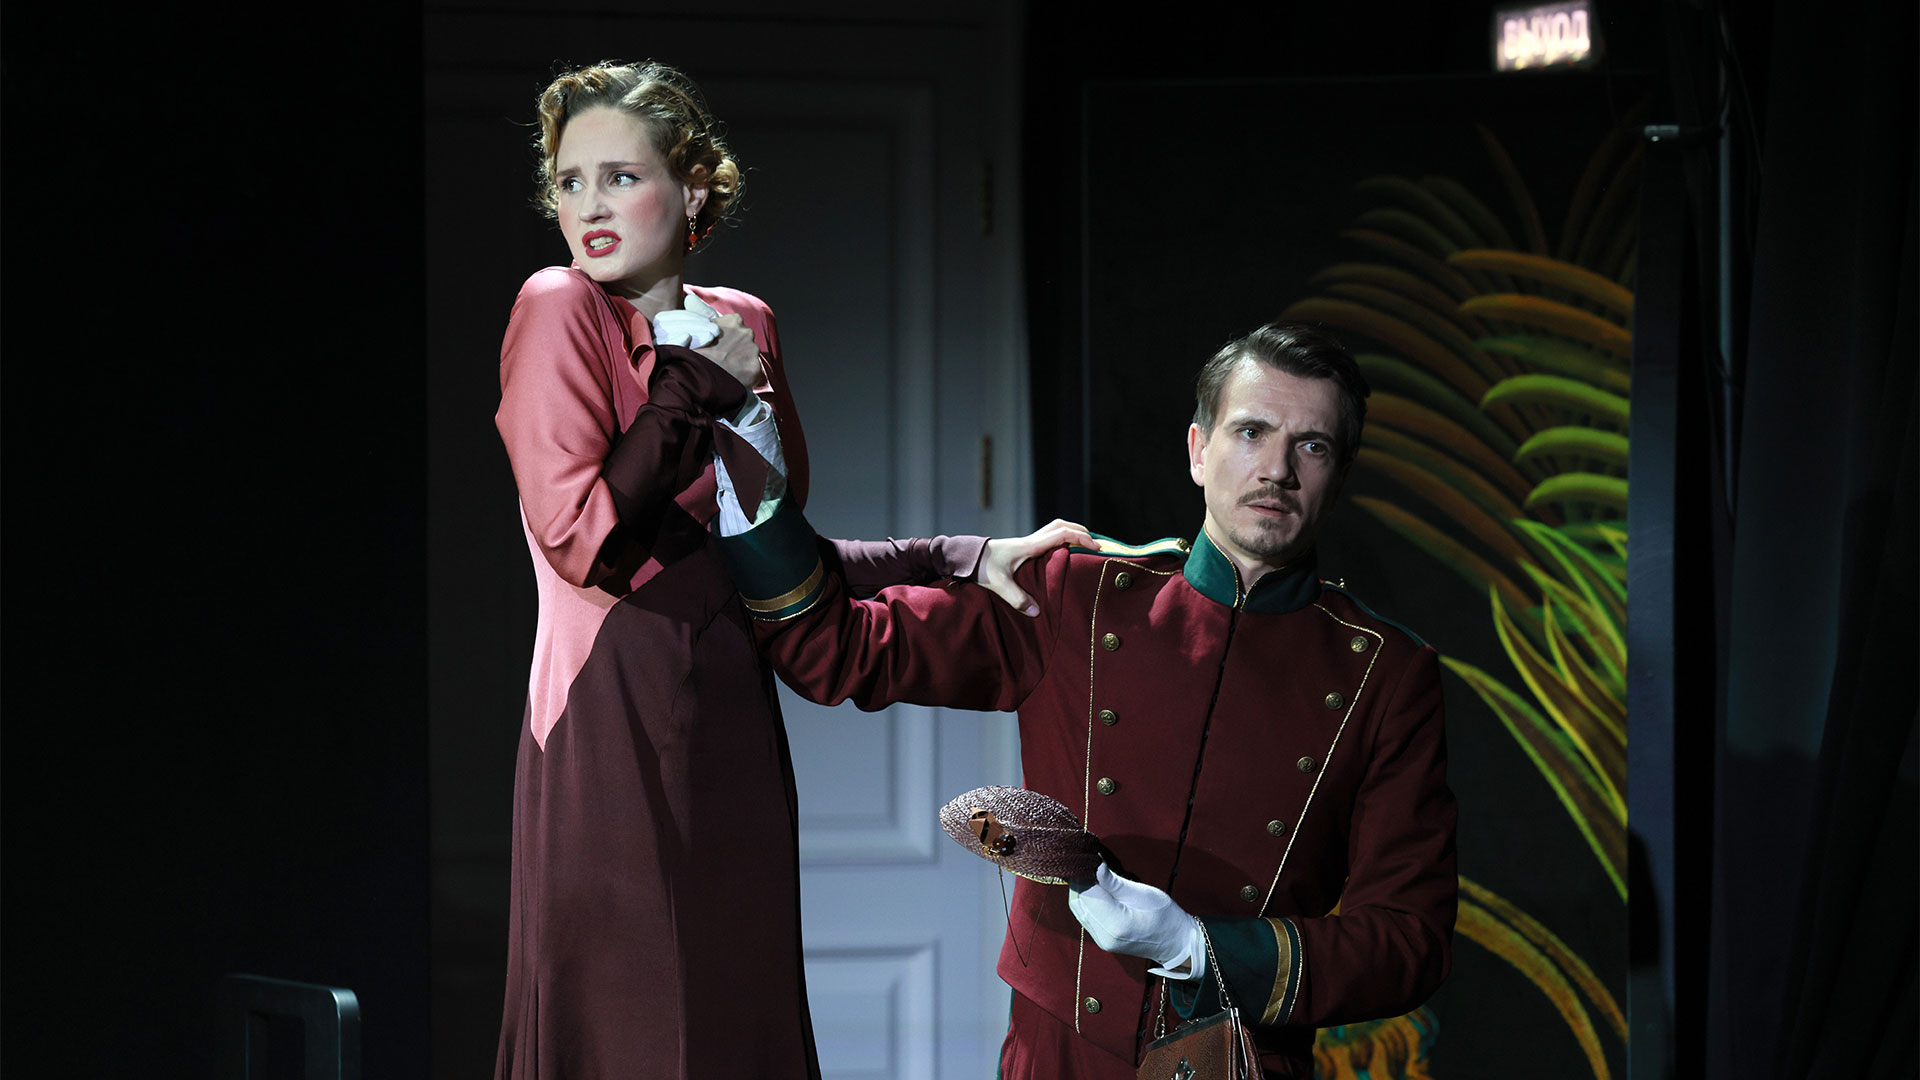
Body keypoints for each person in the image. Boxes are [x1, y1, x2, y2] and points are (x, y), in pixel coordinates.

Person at [714, 323, 1457, 1079]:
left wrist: (1197, 948)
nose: (1276, 469)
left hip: (1243, 1060)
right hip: (1052, 1057)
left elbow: (1410, 940)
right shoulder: (1077, 596)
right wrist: (744, 430)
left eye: (1312, 446)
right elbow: (832, 648)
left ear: (1341, 472)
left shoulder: (1387, 676)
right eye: (1250, 432)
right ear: (1198, 450)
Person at [491, 60, 1017, 1079]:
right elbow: (586, 541)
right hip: (612, 729)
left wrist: (970, 554)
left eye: (620, 177)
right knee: (638, 1037)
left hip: (733, 725)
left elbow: (772, 555)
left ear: (692, 189)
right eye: (569, 182)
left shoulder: (745, 324)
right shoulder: (558, 308)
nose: (588, 207)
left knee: (737, 1026)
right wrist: (691, 383)